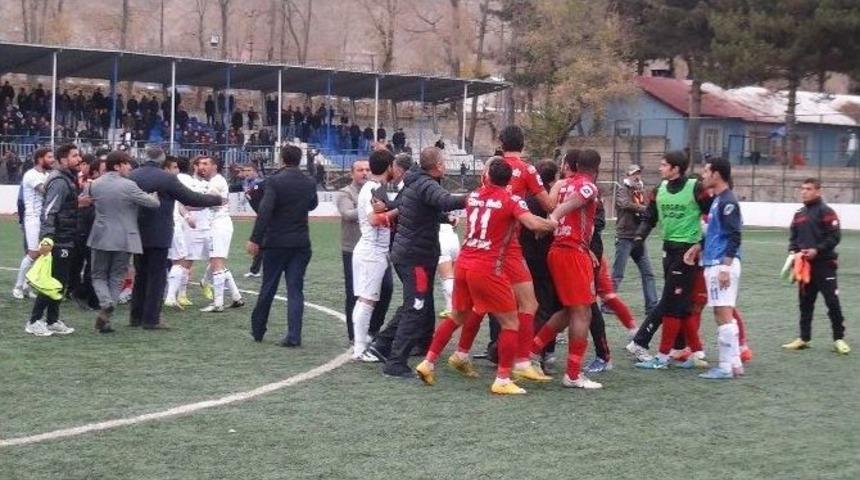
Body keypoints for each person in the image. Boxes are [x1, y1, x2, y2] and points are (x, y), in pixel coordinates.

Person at [415, 158, 557, 394]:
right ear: (509, 180)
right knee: (511, 321)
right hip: (488, 266)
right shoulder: (511, 199)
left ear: (487, 176)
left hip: (464, 262)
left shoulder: (473, 196)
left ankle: (428, 362)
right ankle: (503, 379)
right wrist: (552, 224)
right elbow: (533, 224)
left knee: (457, 315)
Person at [455, 125, 553, 383]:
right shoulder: (528, 169)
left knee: (482, 304)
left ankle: (463, 352)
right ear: (524, 143)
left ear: (501, 142)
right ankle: (520, 361)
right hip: (509, 245)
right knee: (528, 304)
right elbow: (549, 205)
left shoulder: (491, 168)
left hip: (482, 245)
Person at [370, 147, 466, 378]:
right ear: (438, 165)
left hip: (411, 253)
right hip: (416, 257)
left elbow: (421, 210)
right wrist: (474, 198)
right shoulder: (427, 184)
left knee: (413, 303)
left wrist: (444, 218)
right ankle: (396, 363)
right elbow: (445, 200)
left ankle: (382, 344)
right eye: (443, 161)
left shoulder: (417, 182)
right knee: (416, 306)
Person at [530, 149, 604, 389]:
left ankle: (531, 351)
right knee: (584, 313)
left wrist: (548, 224)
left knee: (570, 311)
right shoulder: (589, 186)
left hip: (557, 251)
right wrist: (553, 219)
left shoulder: (561, 184)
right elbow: (573, 204)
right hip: (572, 252)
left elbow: (557, 204)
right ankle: (572, 374)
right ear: (596, 168)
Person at [128, 147, 223, 330]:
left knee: (141, 274)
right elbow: (191, 199)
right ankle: (151, 319)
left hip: (137, 230)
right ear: (162, 160)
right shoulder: (166, 178)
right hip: (159, 231)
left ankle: (136, 316)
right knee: (157, 276)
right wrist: (216, 200)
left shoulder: (133, 175)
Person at [632, 151, 711, 369]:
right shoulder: (659, 190)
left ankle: (661, 356)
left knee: (671, 305)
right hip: (668, 250)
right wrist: (639, 238)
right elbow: (649, 217)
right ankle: (697, 353)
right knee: (682, 305)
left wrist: (700, 245)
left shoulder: (695, 188)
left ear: (676, 168)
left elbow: (713, 219)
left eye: (664, 165)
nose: (660, 168)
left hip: (687, 254)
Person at [248, 145, 319, 345]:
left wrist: (255, 238)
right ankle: (294, 335)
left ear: (282, 159)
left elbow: (265, 211)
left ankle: (258, 330)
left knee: (268, 286)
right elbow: (313, 205)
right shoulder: (309, 182)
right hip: (300, 242)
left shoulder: (274, 182)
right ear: (300, 160)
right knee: (295, 289)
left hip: (276, 242)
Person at [88, 151, 160, 333]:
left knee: (98, 275)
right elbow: (152, 204)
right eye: (127, 164)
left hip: (101, 235)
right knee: (116, 277)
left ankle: (105, 303)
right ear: (117, 166)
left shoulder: (95, 184)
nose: (130, 167)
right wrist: (155, 195)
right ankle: (108, 313)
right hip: (125, 237)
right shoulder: (129, 185)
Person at [688, 157, 745, 379]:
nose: (703, 175)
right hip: (714, 261)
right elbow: (714, 234)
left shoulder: (728, 201)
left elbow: (734, 235)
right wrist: (699, 247)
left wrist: (725, 267)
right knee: (725, 313)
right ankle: (735, 363)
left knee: (722, 314)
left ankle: (724, 366)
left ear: (717, 174)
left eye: (706, 171)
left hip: (722, 263)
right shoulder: (718, 200)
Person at [782, 178, 849, 354]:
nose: (804, 192)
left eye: (809, 189)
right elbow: (793, 237)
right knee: (805, 303)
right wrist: (792, 252)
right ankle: (804, 338)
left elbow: (835, 237)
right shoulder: (799, 213)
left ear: (818, 191)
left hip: (825, 265)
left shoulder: (826, 211)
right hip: (804, 267)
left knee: (832, 302)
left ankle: (839, 339)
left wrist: (816, 250)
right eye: (802, 188)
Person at [25, 144, 84, 337]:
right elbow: (49, 211)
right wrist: (48, 237)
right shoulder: (59, 181)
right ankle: (34, 321)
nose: (79, 159)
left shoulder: (67, 178)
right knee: (52, 281)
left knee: (60, 281)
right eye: (74, 156)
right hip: (58, 239)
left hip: (66, 237)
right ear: (63, 160)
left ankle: (52, 320)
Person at [336, 159, 393, 345]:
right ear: (352, 173)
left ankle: (372, 329)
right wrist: (367, 208)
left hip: (375, 249)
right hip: (352, 247)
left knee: (385, 288)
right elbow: (347, 213)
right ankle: (355, 336)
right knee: (356, 293)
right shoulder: (346, 193)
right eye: (360, 170)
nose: (364, 172)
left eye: (367, 169)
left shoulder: (377, 189)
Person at [349, 150, 397, 360]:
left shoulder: (374, 188)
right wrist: (398, 211)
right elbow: (374, 220)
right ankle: (359, 348)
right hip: (371, 250)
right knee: (367, 301)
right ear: (389, 167)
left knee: (366, 300)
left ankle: (362, 342)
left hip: (372, 250)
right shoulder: (373, 189)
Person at [196, 157, 245, 313]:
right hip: (217, 225)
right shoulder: (213, 181)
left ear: (214, 166)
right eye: (200, 164)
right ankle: (236, 297)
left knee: (217, 263)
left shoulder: (216, 181)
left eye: (205, 164)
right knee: (218, 263)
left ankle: (218, 303)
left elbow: (209, 201)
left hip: (219, 225)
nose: (201, 167)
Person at [612, 164, 658, 314]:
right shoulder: (622, 190)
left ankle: (651, 305)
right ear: (627, 176)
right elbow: (624, 204)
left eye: (638, 174)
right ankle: (608, 304)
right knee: (617, 274)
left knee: (648, 273)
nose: (637, 177)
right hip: (625, 236)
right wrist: (644, 208)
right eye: (634, 174)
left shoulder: (641, 191)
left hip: (638, 237)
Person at [13, 147, 53, 300]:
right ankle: (18, 286)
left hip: (44, 219)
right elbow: (45, 191)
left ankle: (27, 286)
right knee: (33, 253)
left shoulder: (48, 174)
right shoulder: (30, 175)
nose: (52, 160)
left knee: (42, 254)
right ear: (40, 159)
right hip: (33, 218)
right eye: (49, 157)